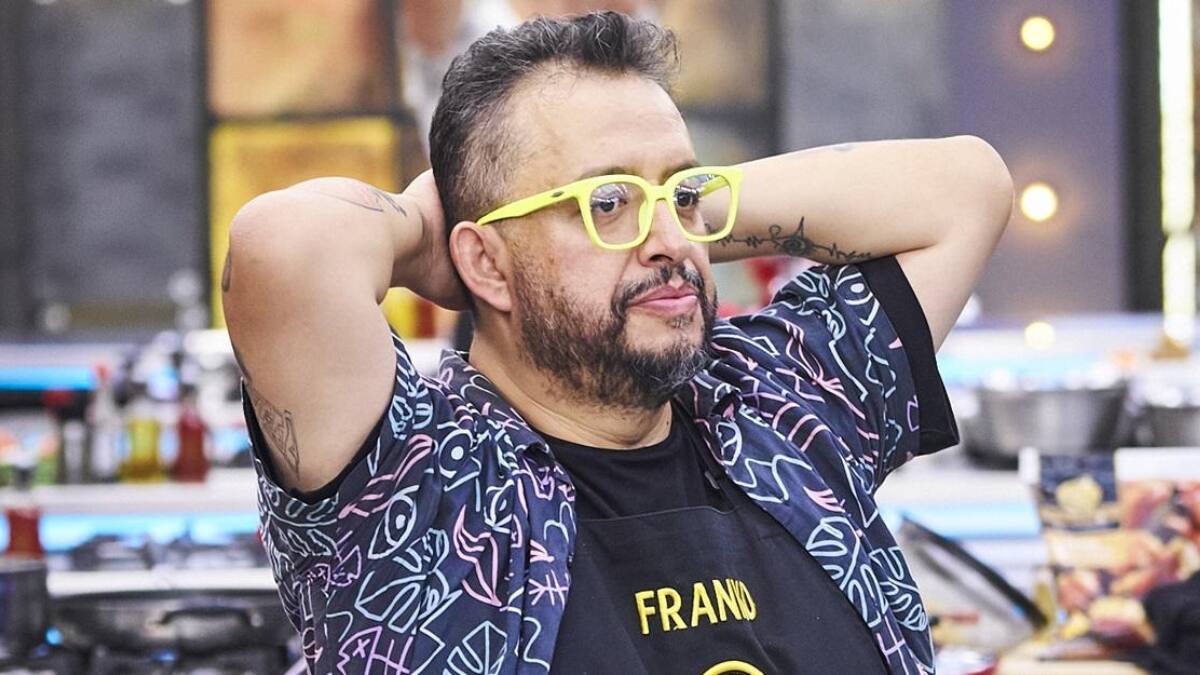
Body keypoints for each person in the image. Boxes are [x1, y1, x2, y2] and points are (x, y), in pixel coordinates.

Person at [222, 12, 1012, 675]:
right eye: (606, 202)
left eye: (682, 192)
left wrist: (675, 204)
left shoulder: (780, 404)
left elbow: (966, 188)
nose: (670, 239)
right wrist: (439, 232)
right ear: (484, 263)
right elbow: (284, 246)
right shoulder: (420, 485)